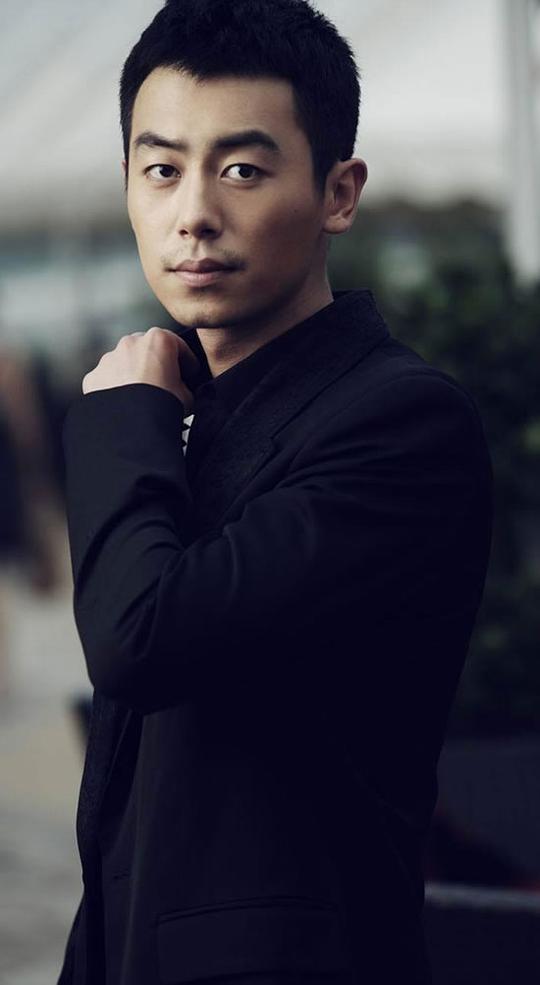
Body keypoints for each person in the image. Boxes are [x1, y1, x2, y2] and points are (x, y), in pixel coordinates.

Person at [56, 1, 493, 982]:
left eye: (243, 169)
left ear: (339, 192)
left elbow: (139, 634)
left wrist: (121, 419)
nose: (193, 213)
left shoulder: (402, 424)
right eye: (161, 170)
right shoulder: (192, 411)